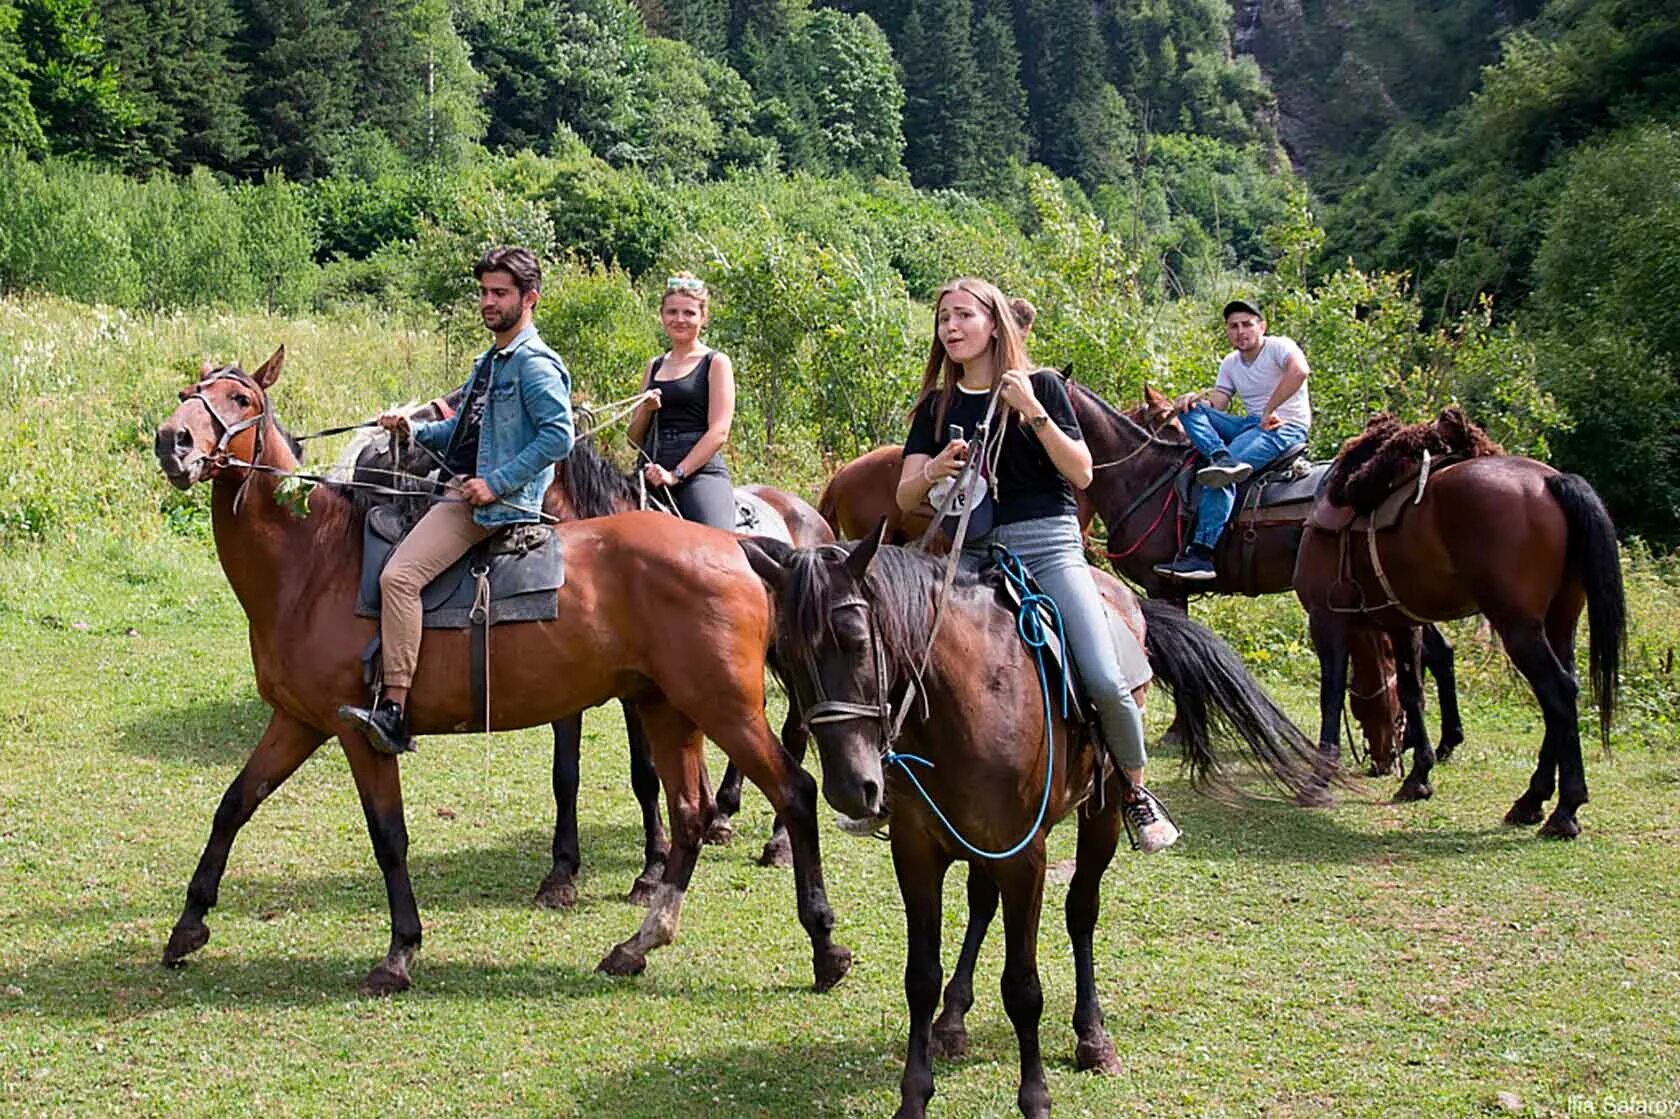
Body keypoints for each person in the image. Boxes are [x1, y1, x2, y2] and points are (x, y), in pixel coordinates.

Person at [896, 277, 1179, 854]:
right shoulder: (936, 406)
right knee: (897, 658)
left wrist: (1034, 414)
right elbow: (904, 497)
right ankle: (892, 785)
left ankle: (1134, 789)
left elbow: (1081, 474)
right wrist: (934, 472)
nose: (950, 328)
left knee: (1102, 675)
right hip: (966, 554)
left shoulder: (1044, 387)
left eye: (963, 316)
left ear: (994, 323)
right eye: (943, 319)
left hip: (1047, 547)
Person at [339, 245, 575, 754]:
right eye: (485, 292)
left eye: (500, 293)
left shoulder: (533, 365)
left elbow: (559, 436)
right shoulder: (490, 361)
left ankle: (395, 709)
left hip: (493, 503)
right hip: (459, 487)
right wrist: (413, 430)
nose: (488, 302)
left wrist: (497, 483)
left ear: (529, 299)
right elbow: (462, 432)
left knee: (399, 577)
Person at [1154, 298, 1312, 582]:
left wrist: (1270, 410)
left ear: (1261, 326)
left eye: (1247, 324)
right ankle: (1220, 455)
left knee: (1219, 477)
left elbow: (1299, 371)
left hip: (1284, 426)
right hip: (1251, 425)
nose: (1241, 331)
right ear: (1227, 331)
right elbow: (1219, 403)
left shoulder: (1279, 347)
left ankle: (1202, 554)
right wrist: (1190, 400)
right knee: (1192, 411)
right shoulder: (1230, 362)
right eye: (1233, 326)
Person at [626, 272, 737, 530]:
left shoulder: (715, 362)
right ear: (662, 315)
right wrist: (646, 409)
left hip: (698, 475)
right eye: (672, 312)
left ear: (703, 318)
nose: (679, 319)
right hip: (649, 473)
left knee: (718, 548)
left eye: (688, 313)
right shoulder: (653, 366)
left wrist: (675, 475)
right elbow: (633, 439)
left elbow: (719, 432)